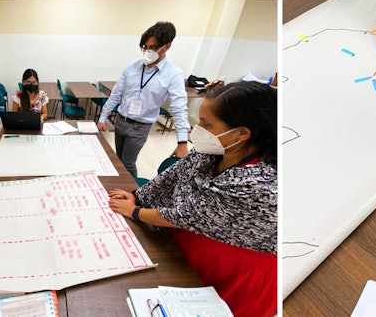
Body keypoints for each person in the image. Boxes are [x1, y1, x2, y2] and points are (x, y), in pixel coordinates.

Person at [108, 81, 277, 317]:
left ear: (242, 132)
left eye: (207, 124)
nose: (197, 129)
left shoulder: (260, 184)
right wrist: (137, 196)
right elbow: (171, 176)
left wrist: (135, 211)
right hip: (189, 243)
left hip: (235, 267)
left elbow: (188, 214)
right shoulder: (213, 150)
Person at [96, 22, 189, 177]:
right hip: (121, 121)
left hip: (140, 126)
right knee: (119, 160)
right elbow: (116, 94)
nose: (147, 51)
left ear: (167, 47)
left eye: (152, 47)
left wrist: (182, 142)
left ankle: (132, 193)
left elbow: (179, 109)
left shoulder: (173, 74)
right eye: (145, 47)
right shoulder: (132, 67)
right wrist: (103, 117)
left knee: (128, 163)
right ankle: (120, 186)